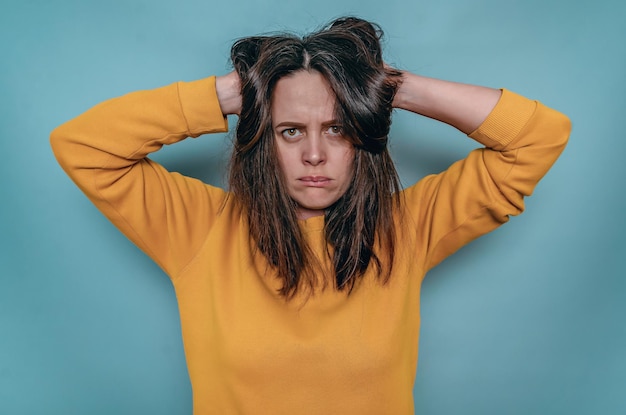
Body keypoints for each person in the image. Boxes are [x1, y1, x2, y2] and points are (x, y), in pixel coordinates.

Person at [50, 16, 571, 415]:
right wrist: (237, 92)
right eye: (291, 130)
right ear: (264, 140)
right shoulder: (200, 229)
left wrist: (387, 87)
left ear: (361, 139)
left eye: (339, 128)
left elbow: (538, 137)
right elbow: (82, 146)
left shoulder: (407, 228)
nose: (315, 154)